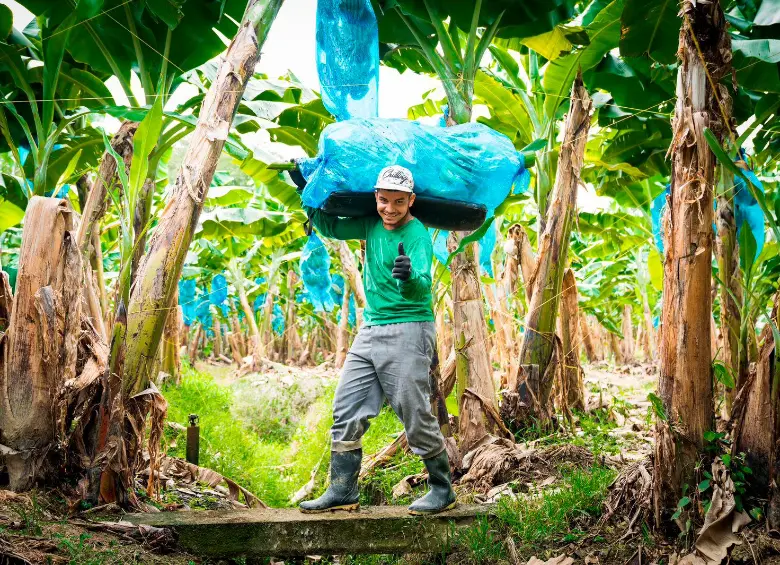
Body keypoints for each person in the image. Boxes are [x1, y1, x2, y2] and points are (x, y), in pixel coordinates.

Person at [298, 165, 456, 515]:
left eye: (399, 202)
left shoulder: (415, 233)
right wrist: (307, 195)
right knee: (347, 407)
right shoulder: (370, 223)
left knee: (414, 411)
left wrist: (408, 275)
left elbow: (423, 280)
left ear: (411, 200)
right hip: (370, 329)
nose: (389, 209)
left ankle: (442, 488)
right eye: (384, 200)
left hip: (409, 327)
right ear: (375, 198)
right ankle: (342, 490)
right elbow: (332, 226)